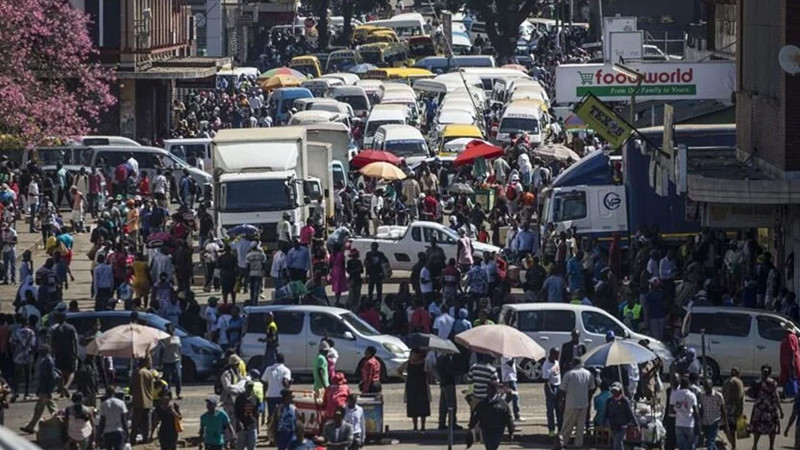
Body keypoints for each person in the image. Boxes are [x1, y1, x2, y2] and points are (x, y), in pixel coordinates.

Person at [558, 357, 596, 449]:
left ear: (573, 364)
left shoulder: (569, 374)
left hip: (571, 403)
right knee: (580, 426)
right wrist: (588, 398)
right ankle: (578, 444)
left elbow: (562, 390)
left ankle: (563, 442)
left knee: (567, 425)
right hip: (583, 403)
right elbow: (592, 388)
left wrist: (561, 402)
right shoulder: (588, 374)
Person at [20, 345, 57, 434]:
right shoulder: (45, 360)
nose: (40, 353)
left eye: (41, 351)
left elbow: (51, 377)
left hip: (45, 390)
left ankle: (31, 426)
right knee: (47, 409)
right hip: (43, 389)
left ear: (45, 351)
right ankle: (31, 426)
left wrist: (49, 390)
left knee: (42, 409)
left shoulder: (48, 361)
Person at [468, 382, 515, 450]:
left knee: (493, 446)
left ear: (495, 391)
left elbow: (508, 417)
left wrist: (511, 431)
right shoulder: (482, 404)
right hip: (486, 430)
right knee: (488, 446)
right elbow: (475, 415)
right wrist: (470, 427)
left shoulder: (502, 404)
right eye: (487, 390)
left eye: (490, 390)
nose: (488, 392)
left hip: (498, 430)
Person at [750, 365, 783, 450]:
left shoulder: (756, 381)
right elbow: (776, 397)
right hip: (770, 409)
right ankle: (771, 446)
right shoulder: (773, 383)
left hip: (759, 408)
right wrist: (780, 410)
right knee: (771, 429)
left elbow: (751, 394)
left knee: (757, 428)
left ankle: (755, 445)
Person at [603, 382, 636, 450]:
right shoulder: (609, 401)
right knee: (618, 442)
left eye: (616, 391)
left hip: (622, 425)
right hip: (613, 425)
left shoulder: (625, 401)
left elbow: (630, 413)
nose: (614, 393)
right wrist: (604, 422)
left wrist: (636, 424)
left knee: (617, 442)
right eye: (613, 391)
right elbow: (606, 413)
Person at [670, 377, 700, 450]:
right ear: (688, 384)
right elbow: (696, 412)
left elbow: (671, 410)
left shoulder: (674, 394)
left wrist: (679, 410)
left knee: (682, 447)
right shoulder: (691, 395)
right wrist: (698, 425)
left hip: (678, 424)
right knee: (690, 447)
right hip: (689, 424)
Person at [404, 348, 430, 431]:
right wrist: (405, 378)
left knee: (423, 406)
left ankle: (423, 426)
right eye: (411, 354)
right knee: (413, 407)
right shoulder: (408, 363)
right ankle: (415, 426)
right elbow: (399, 370)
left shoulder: (424, 363)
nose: (411, 356)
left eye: (413, 354)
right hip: (411, 386)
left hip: (422, 386)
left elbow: (429, 373)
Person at [131, 357, 155, 444]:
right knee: (146, 423)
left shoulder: (136, 373)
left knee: (135, 423)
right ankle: (146, 438)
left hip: (138, 401)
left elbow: (131, 388)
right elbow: (152, 389)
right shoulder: (149, 374)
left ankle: (133, 439)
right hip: (148, 401)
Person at [698, 378, 726, 450]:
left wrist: (725, 423)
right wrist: (699, 421)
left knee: (710, 441)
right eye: (705, 386)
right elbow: (701, 408)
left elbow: (723, 409)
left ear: (711, 386)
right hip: (705, 421)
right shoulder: (701, 395)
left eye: (707, 386)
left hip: (714, 421)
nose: (706, 388)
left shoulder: (718, 395)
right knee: (709, 441)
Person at [262, 353, 292, 421]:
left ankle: (271, 429)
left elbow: (264, 380)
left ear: (276, 359)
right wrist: (289, 384)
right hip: (281, 396)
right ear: (284, 360)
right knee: (281, 415)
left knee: (271, 415)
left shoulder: (268, 369)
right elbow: (285, 382)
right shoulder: (286, 370)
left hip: (270, 395)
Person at [722, 367, 745, 450]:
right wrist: (741, 411)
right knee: (738, 429)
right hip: (736, 407)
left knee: (728, 428)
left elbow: (723, 394)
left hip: (727, 407)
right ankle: (734, 446)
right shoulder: (739, 382)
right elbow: (741, 397)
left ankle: (733, 444)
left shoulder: (726, 382)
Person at [542, 347, 562, 436]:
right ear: (552, 354)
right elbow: (546, 382)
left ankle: (560, 430)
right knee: (550, 411)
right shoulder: (546, 365)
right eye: (556, 355)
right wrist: (551, 393)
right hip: (551, 387)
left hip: (558, 386)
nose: (558, 357)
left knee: (560, 410)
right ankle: (551, 431)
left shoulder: (556, 362)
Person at [234, 381, 260, 450]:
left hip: (252, 425)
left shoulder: (255, 398)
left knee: (252, 446)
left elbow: (256, 413)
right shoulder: (239, 398)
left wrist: (257, 427)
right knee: (240, 446)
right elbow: (236, 412)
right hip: (242, 426)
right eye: (248, 387)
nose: (250, 388)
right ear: (245, 387)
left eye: (251, 387)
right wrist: (238, 422)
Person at [159, 323, 183, 399]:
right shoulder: (163, 338)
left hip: (176, 359)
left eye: (171, 328)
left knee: (178, 376)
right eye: (168, 329)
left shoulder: (177, 338)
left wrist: (181, 359)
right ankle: (168, 393)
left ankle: (178, 392)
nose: (170, 330)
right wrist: (160, 361)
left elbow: (179, 349)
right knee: (167, 378)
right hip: (166, 360)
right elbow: (161, 350)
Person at [501, 356, 523, 421]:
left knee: (509, 397)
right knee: (515, 396)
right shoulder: (505, 355)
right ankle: (517, 415)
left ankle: (501, 407)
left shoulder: (510, 354)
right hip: (509, 378)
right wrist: (514, 357)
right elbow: (509, 363)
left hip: (512, 377)